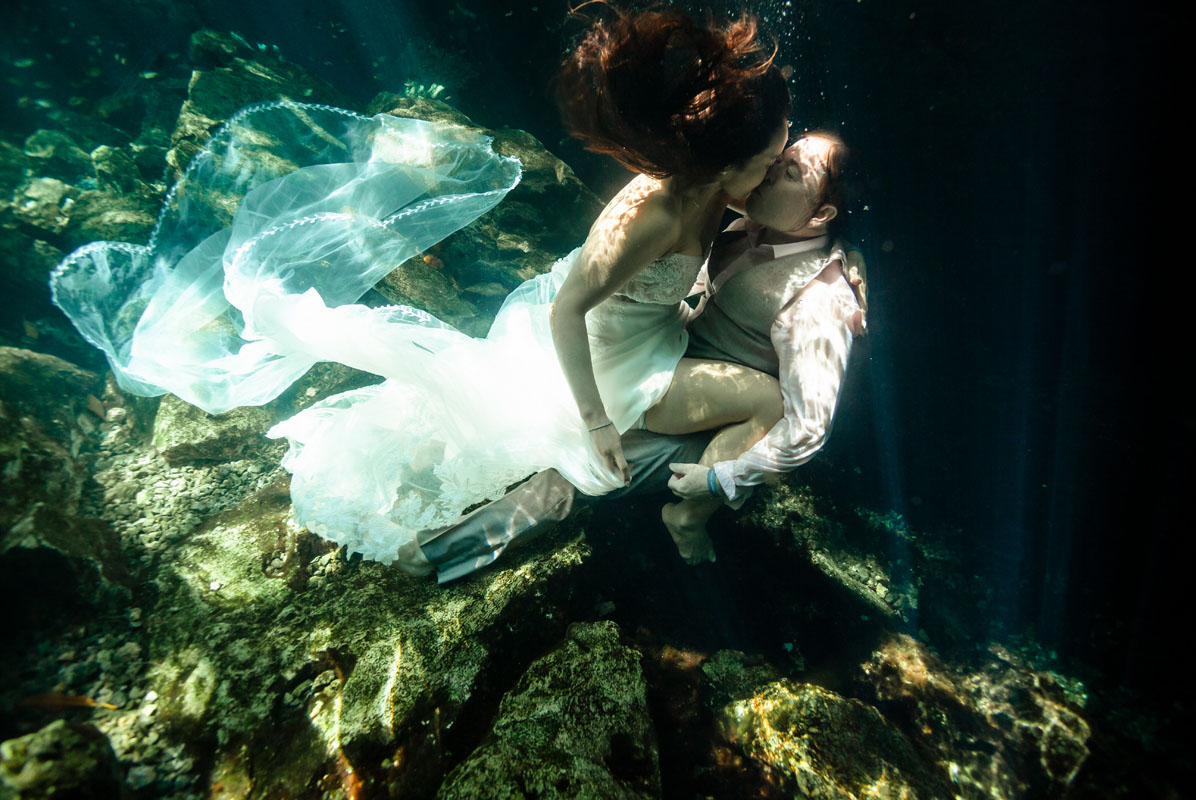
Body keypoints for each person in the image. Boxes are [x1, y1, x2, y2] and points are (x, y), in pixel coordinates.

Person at [51, 6, 794, 566]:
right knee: (760, 401)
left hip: (645, 337)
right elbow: (571, 308)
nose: (773, 173)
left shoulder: (714, 198)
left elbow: (662, 284)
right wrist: (597, 422)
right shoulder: (653, 214)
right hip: (601, 359)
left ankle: (656, 488)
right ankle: (685, 514)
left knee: (734, 401)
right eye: (768, 161)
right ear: (724, 165)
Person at [412, 131, 867, 581]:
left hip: (718, 422)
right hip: (667, 355)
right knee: (537, 420)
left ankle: (431, 554)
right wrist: (849, 245)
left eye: (787, 172)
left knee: (578, 475)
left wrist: (721, 478)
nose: (768, 173)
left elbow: (808, 426)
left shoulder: (821, 303)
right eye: (776, 158)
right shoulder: (759, 216)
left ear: (822, 212)